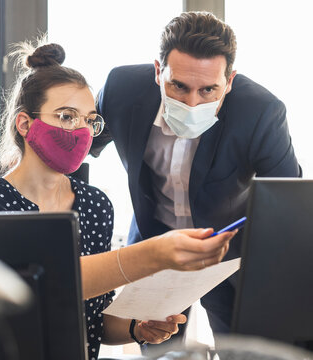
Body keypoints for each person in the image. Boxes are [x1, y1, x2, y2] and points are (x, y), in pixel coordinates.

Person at [0, 40, 236, 359]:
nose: (82, 131)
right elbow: (37, 290)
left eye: (90, 120)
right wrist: (153, 254)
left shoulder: (94, 205)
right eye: (67, 116)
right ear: (25, 124)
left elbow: (94, 320)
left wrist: (136, 327)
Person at [91, 11, 302, 341]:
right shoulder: (121, 89)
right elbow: (77, 150)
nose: (192, 103)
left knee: (244, 351)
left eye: (208, 90)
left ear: (229, 82)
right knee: (159, 350)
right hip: (155, 246)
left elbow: (288, 202)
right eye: (178, 86)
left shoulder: (261, 111)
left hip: (229, 254)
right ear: (158, 72)